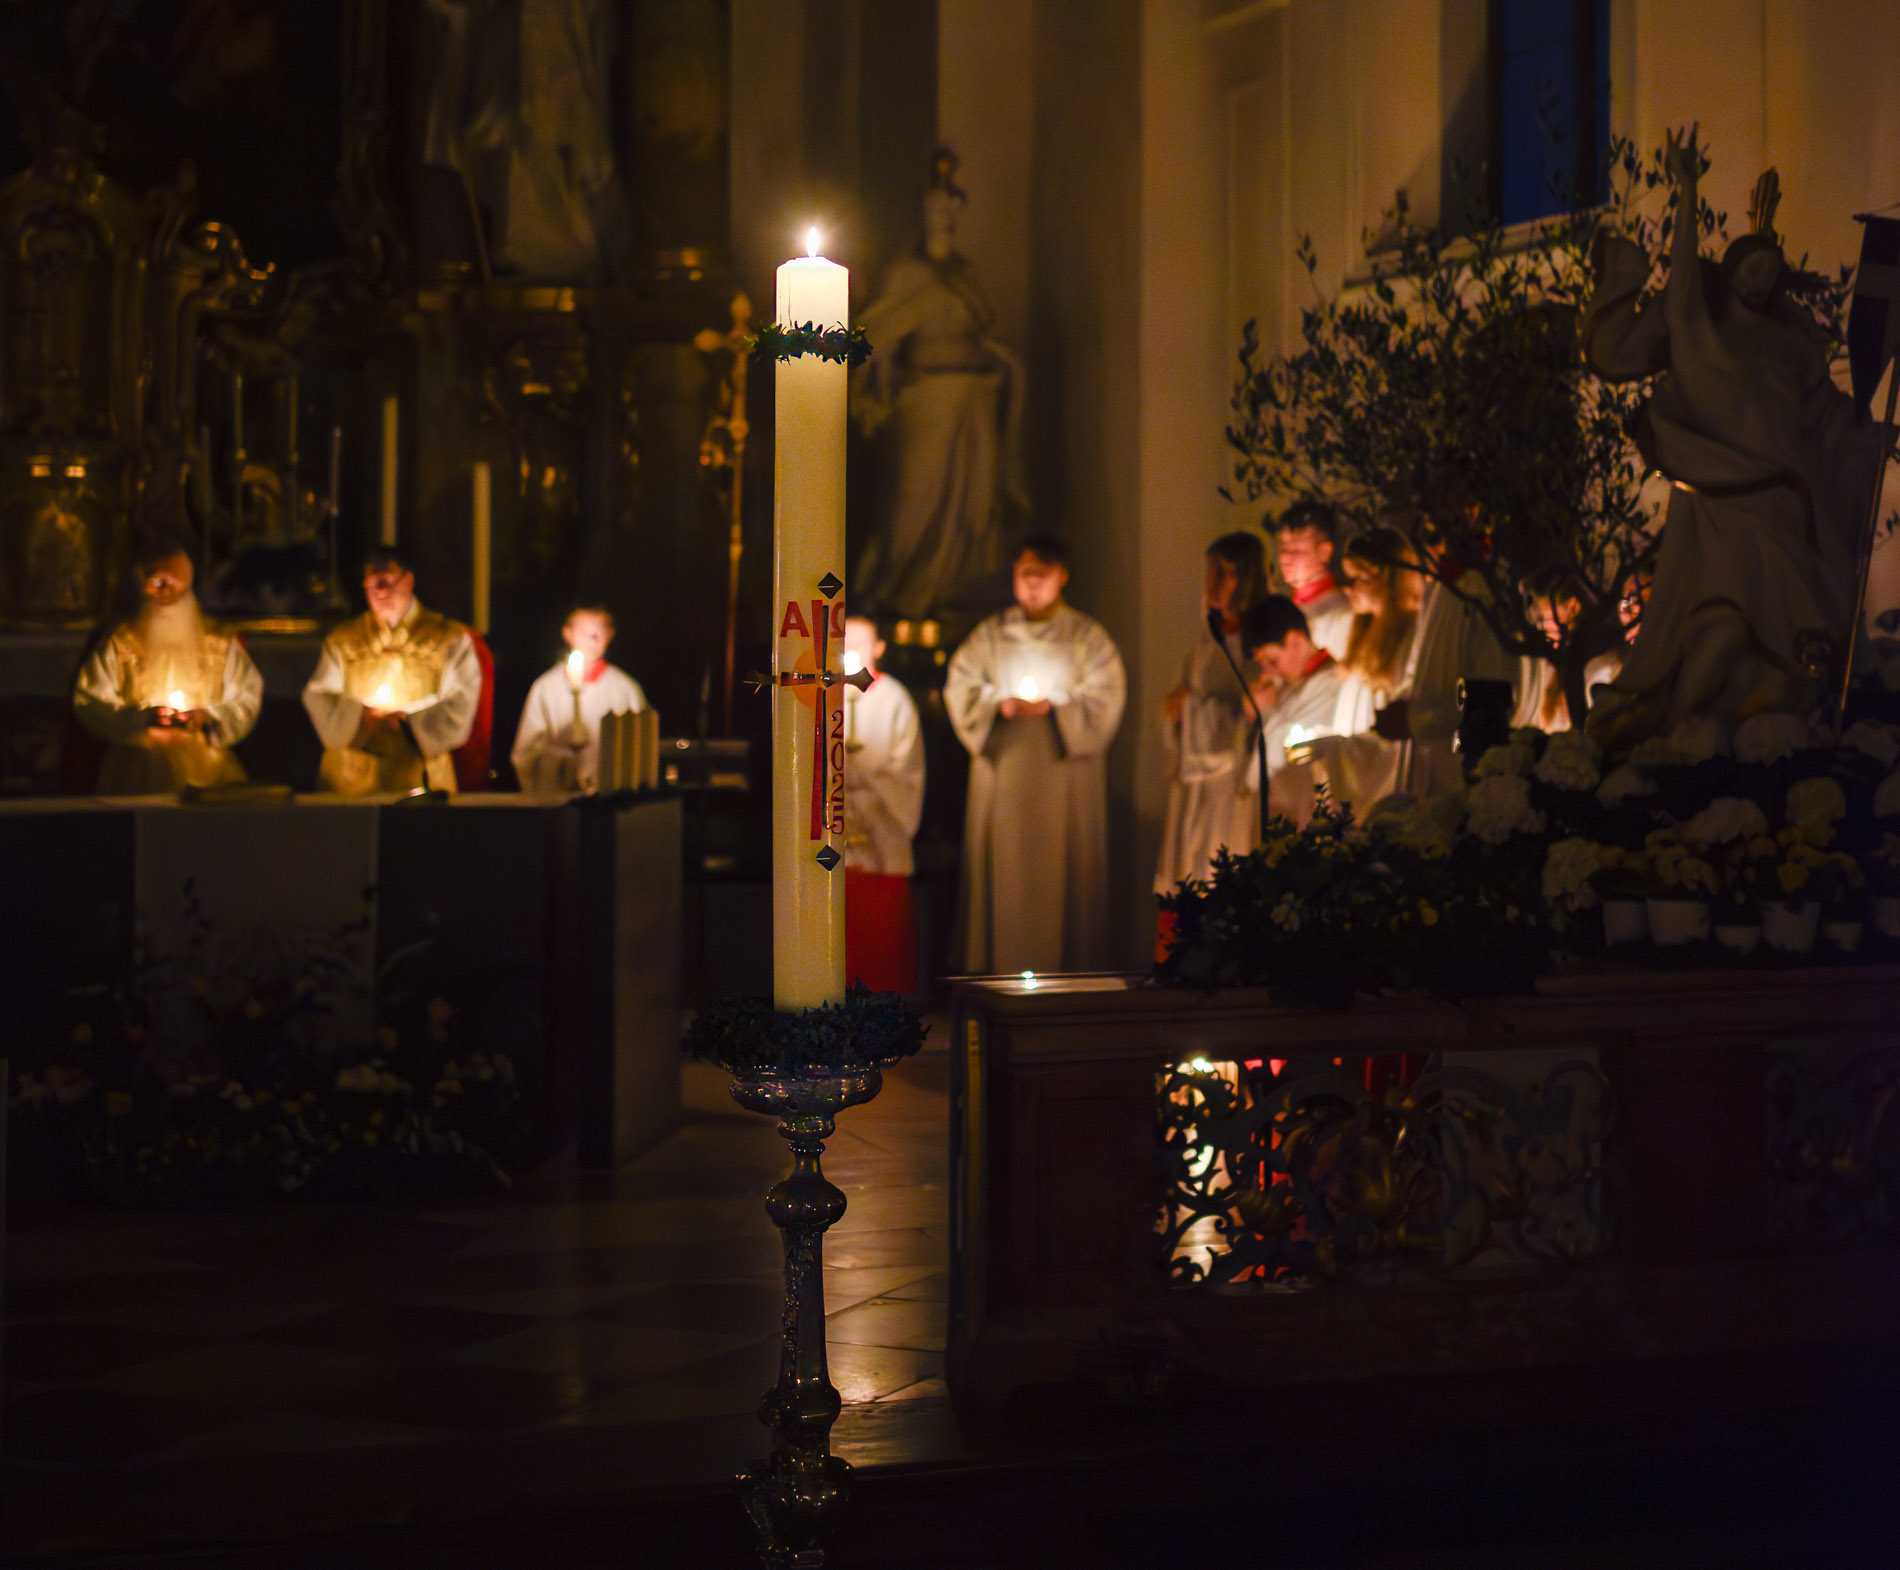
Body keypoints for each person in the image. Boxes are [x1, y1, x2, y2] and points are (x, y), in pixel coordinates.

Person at [1582, 129, 1881, 744]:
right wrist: (1687, 190)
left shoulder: (1793, 347)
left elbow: (1826, 415)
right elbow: (1685, 283)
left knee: (1794, 634)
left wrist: (1869, 435)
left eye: (1769, 273)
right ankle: (1678, 731)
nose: (1757, 280)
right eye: (1749, 268)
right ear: (1734, 271)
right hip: (1720, 497)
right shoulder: (1705, 336)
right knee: (1716, 627)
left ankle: (1764, 732)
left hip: (1785, 500)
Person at [850, 149, 1026, 621]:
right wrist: (879, 381)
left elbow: (984, 329)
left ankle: (957, 592)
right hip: (925, 404)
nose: (944, 220)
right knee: (915, 498)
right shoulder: (907, 275)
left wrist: (998, 359)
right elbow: (874, 336)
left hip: (974, 399)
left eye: (951, 211)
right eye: (935, 211)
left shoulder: (965, 275)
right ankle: (900, 587)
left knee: (975, 502)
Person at [946, 536, 1126, 973]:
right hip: (1005, 773)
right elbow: (961, 687)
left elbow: (1106, 699)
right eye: (1023, 573)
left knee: (1064, 874)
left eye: (1041, 574)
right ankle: (996, 972)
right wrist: (998, 706)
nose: (1031, 583)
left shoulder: (1087, 637)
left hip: (1062, 777)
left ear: (1062, 576)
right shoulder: (990, 636)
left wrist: (1058, 708)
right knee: (1004, 876)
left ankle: (1068, 974)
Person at [72, 538, 262, 792]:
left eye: (171, 580)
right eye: (156, 581)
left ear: (186, 581)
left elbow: (246, 696)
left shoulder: (218, 640)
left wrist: (206, 718)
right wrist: (141, 718)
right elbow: (90, 699)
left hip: (205, 767)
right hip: (138, 767)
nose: (164, 589)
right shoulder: (120, 642)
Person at [303, 551, 482, 794]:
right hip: (354, 774)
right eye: (371, 584)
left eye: (386, 580)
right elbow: (319, 694)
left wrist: (409, 723)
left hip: (420, 769)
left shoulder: (449, 638)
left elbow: (463, 699)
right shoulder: (342, 640)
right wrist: (361, 717)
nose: (379, 590)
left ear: (408, 580)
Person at [1155, 532, 1269, 894]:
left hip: (1232, 786)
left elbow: (1251, 717)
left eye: (1223, 574)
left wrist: (1193, 708)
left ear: (1247, 578)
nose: (1211, 585)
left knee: (1221, 871)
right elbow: (1179, 706)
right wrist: (1176, 710)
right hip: (1193, 785)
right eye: (1209, 574)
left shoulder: (1258, 647)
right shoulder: (1205, 644)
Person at [1373, 531, 1521, 796]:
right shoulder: (1445, 586)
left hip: (1469, 777)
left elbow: (1492, 697)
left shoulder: (1483, 589)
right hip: (1437, 764)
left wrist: (1414, 718)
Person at [841, 614, 926, 994]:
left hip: (881, 828)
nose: (851, 651)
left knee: (879, 941)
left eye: (860, 643)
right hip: (835, 828)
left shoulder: (894, 698)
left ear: (878, 648)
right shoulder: (820, 694)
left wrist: (863, 774)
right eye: (844, 642)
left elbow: (907, 768)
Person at [511, 606, 646, 793]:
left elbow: (640, 748)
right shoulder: (546, 687)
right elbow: (526, 753)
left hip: (608, 794)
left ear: (610, 635)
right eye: (584, 632)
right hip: (556, 794)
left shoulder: (625, 689)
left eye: (599, 632)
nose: (593, 639)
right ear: (568, 633)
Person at [1328, 530, 1419, 804]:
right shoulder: (1361, 633)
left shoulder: (1410, 637)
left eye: (1358, 578)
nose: (1349, 588)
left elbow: (1395, 732)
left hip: (1381, 774)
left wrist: (1332, 749)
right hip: (1353, 756)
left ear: (1388, 579)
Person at [1241, 596, 1349, 825]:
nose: (1268, 673)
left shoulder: (1330, 684)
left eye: (1272, 661)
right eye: (1263, 665)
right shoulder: (1288, 686)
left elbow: (1284, 755)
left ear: (1296, 641)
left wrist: (1269, 712)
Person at [1270, 501, 1354, 659]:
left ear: (1324, 552)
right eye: (1283, 548)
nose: (1285, 558)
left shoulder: (1340, 616)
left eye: (1296, 550)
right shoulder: (1289, 607)